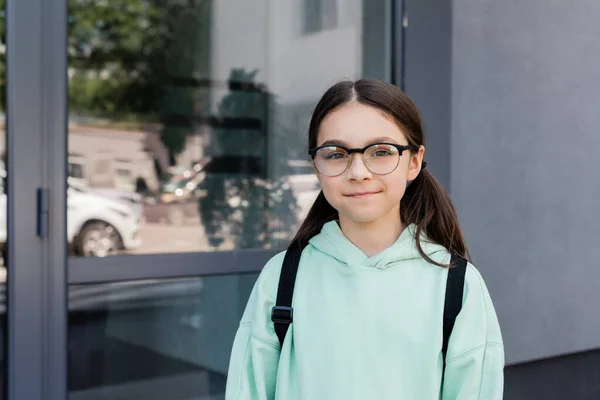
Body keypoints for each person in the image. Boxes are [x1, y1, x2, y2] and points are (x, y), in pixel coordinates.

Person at [225, 79, 504, 399]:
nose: (358, 171)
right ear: (316, 166)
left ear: (414, 161)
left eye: (381, 151)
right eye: (336, 153)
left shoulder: (456, 284)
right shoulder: (281, 277)